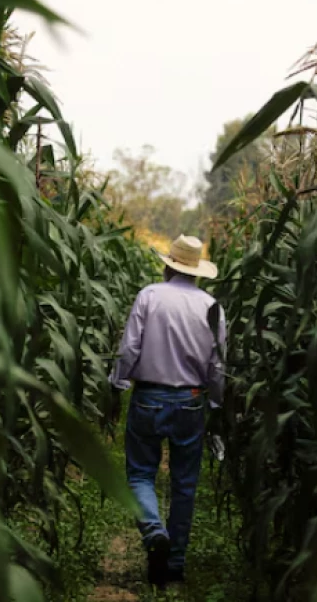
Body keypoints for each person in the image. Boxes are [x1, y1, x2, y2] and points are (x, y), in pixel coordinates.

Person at [108, 234, 227, 588]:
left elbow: (129, 348)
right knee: (185, 485)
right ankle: (173, 568)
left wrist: (117, 385)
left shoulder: (150, 296)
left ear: (167, 265)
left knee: (141, 475)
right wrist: (216, 403)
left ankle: (153, 530)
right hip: (191, 399)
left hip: (148, 398)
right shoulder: (211, 306)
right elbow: (217, 365)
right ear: (197, 272)